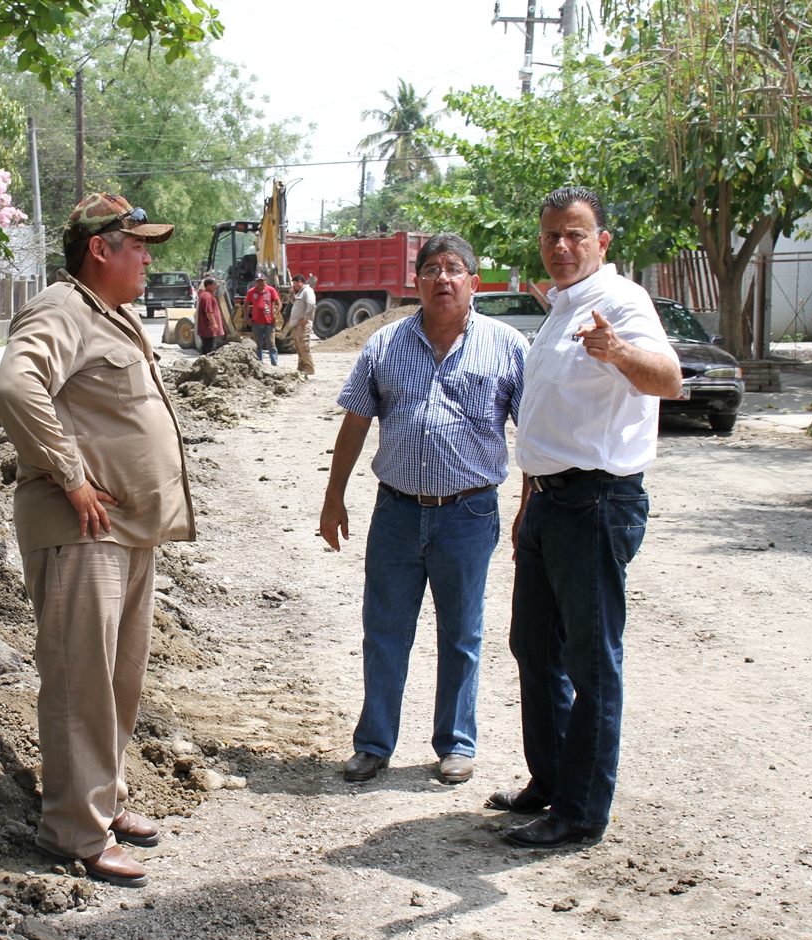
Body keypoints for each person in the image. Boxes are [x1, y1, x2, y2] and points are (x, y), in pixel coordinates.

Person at [0, 193, 195, 888]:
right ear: (99, 249)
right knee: (81, 683)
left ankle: (104, 804)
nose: (147, 256)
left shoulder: (114, 316)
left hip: (125, 532)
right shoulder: (61, 307)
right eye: (137, 243)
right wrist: (72, 475)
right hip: (80, 531)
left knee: (117, 680)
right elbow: (19, 386)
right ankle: (74, 830)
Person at [491, 186, 682, 849]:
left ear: (602, 241)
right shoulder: (558, 309)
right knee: (533, 647)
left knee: (590, 661)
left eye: (575, 235)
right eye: (551, 237)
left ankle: (581, 811)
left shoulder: (621, 303)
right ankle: (550, 782)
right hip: (549, 502)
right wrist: (525, 504)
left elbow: (669, 379)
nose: (562, 247)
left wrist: (617, 352)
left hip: (595, 502)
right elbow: (542, 418)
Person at [319, 233, 527, 787]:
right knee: (384, 630)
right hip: (397, 515)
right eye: (431, 269)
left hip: (469, 514)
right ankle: (373, 744)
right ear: (416, 283)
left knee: (462, 633)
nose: (442, 278)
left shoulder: (507, 346)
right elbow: (356, 422)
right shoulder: (384, 346)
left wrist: (530, 503)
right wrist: (333, 496)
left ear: (474, 282)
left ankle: (456, 743)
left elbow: (533, 435)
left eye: (454, 269)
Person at [245, 273, 281, 366]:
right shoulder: (251, 292)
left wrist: (275, 315)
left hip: (269, 323)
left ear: (265, 281)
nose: (260, 283)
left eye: (262, 281)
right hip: (256, 323)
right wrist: (247, 318)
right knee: (258, 345)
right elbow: (245, 306)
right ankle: (259, 364)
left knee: (271, 344)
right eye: (258, 281)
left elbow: (279, 303)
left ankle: (274, 363)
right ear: (255, 282)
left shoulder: (271, 290)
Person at [286, 272, 316, 375]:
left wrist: (305, 318)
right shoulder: (300, 292)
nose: (293, 286)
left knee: (304, 346)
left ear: (299, 282)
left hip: (303, 324)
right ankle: (301, 367)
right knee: (299, 347)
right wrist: (291, 294)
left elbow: (311, 304)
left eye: (294, 283)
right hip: (297, 324)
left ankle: (309, 367)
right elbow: (295, 303)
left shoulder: (307, 291)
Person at [196, 277, 223, 355]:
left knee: (206, 350)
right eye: (214, 284)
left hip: (208, 330)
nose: (216, 286)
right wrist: (214, 324)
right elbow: (208, 312)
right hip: (208, 330)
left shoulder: (207, 295)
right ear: (208, 286)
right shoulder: (207, 297)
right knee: (210, 351)